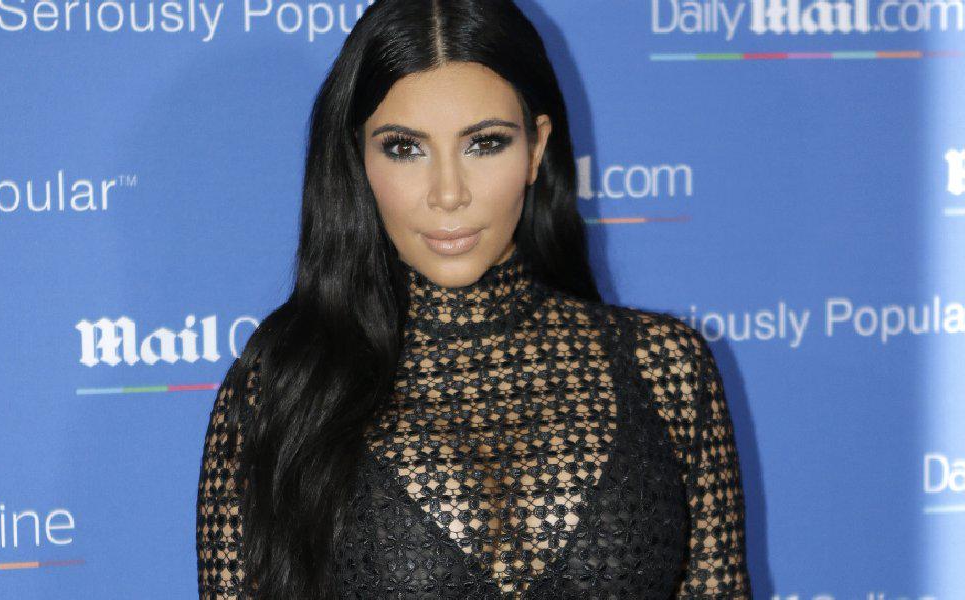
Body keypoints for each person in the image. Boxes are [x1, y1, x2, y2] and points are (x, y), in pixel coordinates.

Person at [195, 0, 752, 598]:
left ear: (536, 149)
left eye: (484, 143)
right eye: (405, 148)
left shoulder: (665, 369)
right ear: (358, 157)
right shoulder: (280, 387)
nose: (448, 193)